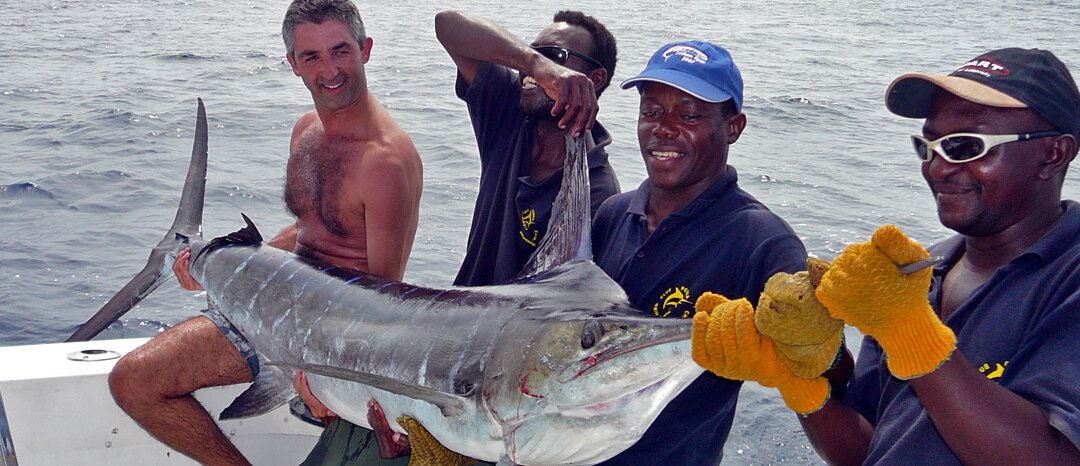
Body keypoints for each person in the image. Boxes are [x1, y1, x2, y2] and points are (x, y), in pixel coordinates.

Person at [700, 47, 1080, 464]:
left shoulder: (1066, 277)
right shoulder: (915, 276)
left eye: (965, 146)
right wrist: (797, 379)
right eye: (928, 145)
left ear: (1054, 154)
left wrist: (909, 330)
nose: (937, 167)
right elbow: (869, 450)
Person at [107, 1, 423, 464]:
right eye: (311, 57)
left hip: (328, 340)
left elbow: (381, 305)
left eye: (341, 51)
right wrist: (213, 257)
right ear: (293, 64)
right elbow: (310, 227)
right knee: (132, 380)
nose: (330, 70)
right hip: (275, 303)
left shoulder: (385, 161)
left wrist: (319, 380)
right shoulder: (306, 131)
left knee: (134, 379)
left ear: (366, 50)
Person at [591, 41, 808, 464]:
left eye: (688, 115)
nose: (664, 129)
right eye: (652, 112)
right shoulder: (613, 214)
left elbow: (823, 366)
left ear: (734, 128)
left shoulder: (764, 242)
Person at [435, 9, 621, 287]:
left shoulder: (597, 191)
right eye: (534, 52)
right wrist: (535, 63)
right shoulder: (508, 109)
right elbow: (446, 25)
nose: (534, 69)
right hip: (463, 312)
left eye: (556, 56)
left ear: (594, 79)